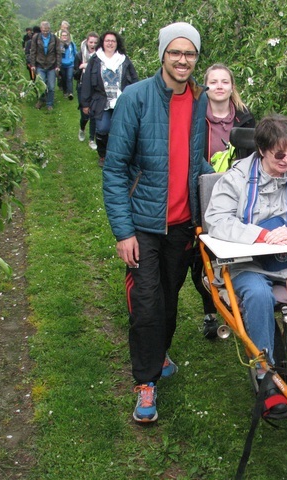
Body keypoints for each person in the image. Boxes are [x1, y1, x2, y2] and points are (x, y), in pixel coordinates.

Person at [102, 22, 213, 423]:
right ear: (162, 54)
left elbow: (193, 158)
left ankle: (158, 353)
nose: (183, 60)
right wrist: (124, 231)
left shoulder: (199, 101)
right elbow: (115, 169)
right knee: (147, 305)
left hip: (182, 224)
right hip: (145, 224)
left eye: (190, 53)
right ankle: (145, 383)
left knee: (167, 303)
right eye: (175, 52)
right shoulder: (136, 98)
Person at [204, 114, 287, 416]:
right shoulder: (236, 179)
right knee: (257, 296)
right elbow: (216, 220)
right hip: (248, 264)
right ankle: (264, 371)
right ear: (262, 149)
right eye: (280, 154)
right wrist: (262, 235)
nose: (286, 160)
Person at [195, 63, 256, 339]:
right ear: (205, 86)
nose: (219, 86)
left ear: (232, 87)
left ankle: (239, 302)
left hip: (240, 192)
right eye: (213, 82)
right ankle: (210, 311)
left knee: (236, 248)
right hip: (204, 190)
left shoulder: (245, 119)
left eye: (224, 82)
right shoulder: (196, 118)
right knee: (203, 254)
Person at [81, 31, 138, 167]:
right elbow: (87, 81)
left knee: (121, 130)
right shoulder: (96, 59)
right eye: (107, 41)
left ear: (117, 43)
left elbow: (134, 79)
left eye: (113, 41)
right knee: (102, 129)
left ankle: (119, 155)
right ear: (103, 42)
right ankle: (103, 154)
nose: (110, 43)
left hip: (121, 101)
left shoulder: (124, 60)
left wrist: (136, 98)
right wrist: (85, 103)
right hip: (102, 101)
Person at [74, 31, 99, 149]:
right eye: (91, 42)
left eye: (95, 42)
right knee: (85, 115)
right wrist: (81, 68)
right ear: (87, 42)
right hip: (82, 86)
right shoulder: (79, 56)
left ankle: (91, 139)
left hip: (95, 88)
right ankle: (82, 128)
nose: (93, 44)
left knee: (94, 114)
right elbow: (74, 75)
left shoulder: (100, 56)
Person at [29, 21, 61, 111]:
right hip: (40, 64)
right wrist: (33, 65)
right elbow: (33, 52)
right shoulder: (36, 38)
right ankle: (41, 100)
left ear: (49, 29)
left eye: (47, 30)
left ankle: (49, 103)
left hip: (51, 65)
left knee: (51, 86)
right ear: (41, 29)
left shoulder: (54, 38)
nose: (45, 32)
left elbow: (58, 53)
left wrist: (58, 65)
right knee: (41, 85)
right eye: (44, 30)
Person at [58, 31, 77, 100]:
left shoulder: (72, 44)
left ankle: (70, 92)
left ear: (68, 36)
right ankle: (65, 91)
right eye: (63, 35)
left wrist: (75, 62)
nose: (64, 36)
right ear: (61, 36)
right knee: (63, 78)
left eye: (66, 35)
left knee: (69, 78)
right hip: (62, 64)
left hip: (70, 64)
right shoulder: (58, 45)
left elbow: (75, 53)